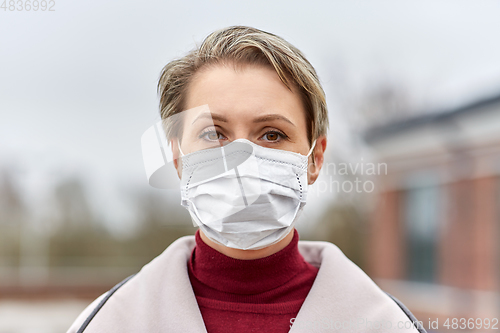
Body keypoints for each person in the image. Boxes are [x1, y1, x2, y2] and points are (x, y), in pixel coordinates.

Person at [67, 26, 426, 333]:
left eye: (271, 134)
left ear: (314, 159)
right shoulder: (108, 323)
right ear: (177, 157)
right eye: (213, 134)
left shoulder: (384, 325)